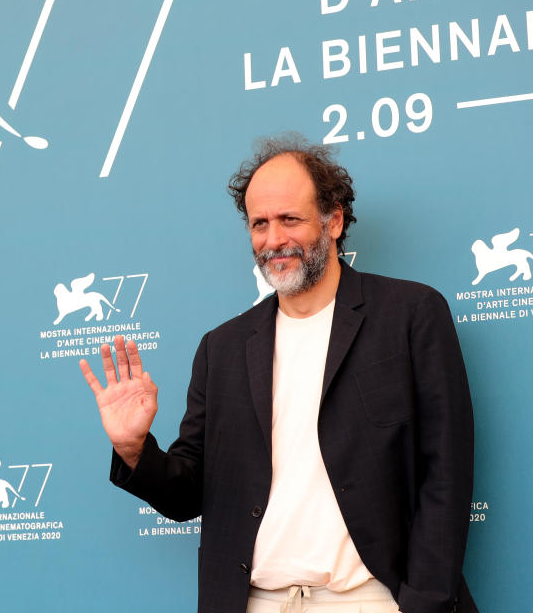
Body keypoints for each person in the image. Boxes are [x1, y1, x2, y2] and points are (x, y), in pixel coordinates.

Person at [79, 136, 476, 613]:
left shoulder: (411, 314)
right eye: (259, 224)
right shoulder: (221, 348)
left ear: (334, 220)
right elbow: (186, 494)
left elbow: (446, 475)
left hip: (373, 599)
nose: (273, 239)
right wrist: (133, 448)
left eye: (290, 219)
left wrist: (424, 603)